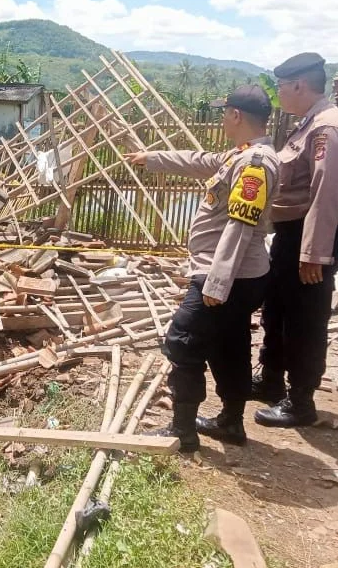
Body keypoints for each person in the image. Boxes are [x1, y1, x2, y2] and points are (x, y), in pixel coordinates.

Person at [126, 85, 279, 452]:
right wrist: (153, 157)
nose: (223, 119)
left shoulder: (255, 164)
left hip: (225, 276)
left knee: (183, 340)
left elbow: (240, 225)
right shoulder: (242, 155)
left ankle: (182, 431)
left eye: (224, 113)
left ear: (236, 115)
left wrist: (217, 282)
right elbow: (200, 160)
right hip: (236, 277)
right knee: (230, 344)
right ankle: (230, 422)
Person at [252, 52, 338, 428]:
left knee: (304, 319)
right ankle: (270, 381)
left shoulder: (327, 127)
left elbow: (325, 192)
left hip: (314, 235)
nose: (279, 93)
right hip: (293, 232)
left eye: (281, 86)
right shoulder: (307, 125)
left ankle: (300, 401)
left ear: (299, 85)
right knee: (277, 310)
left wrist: (315, 252)